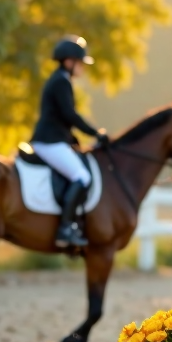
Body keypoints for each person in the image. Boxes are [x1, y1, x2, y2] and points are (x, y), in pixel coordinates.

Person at [29, 35, 108, 248]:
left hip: (54, 139)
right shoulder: (61, 81)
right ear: (69, 61)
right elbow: (69, 115)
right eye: (80, 62)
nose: (82, 67)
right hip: (49, 141)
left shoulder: (59, 80)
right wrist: (96, 133)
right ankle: (65, 228)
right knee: (82, 177)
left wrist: (75, 139)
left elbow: (63, 118)